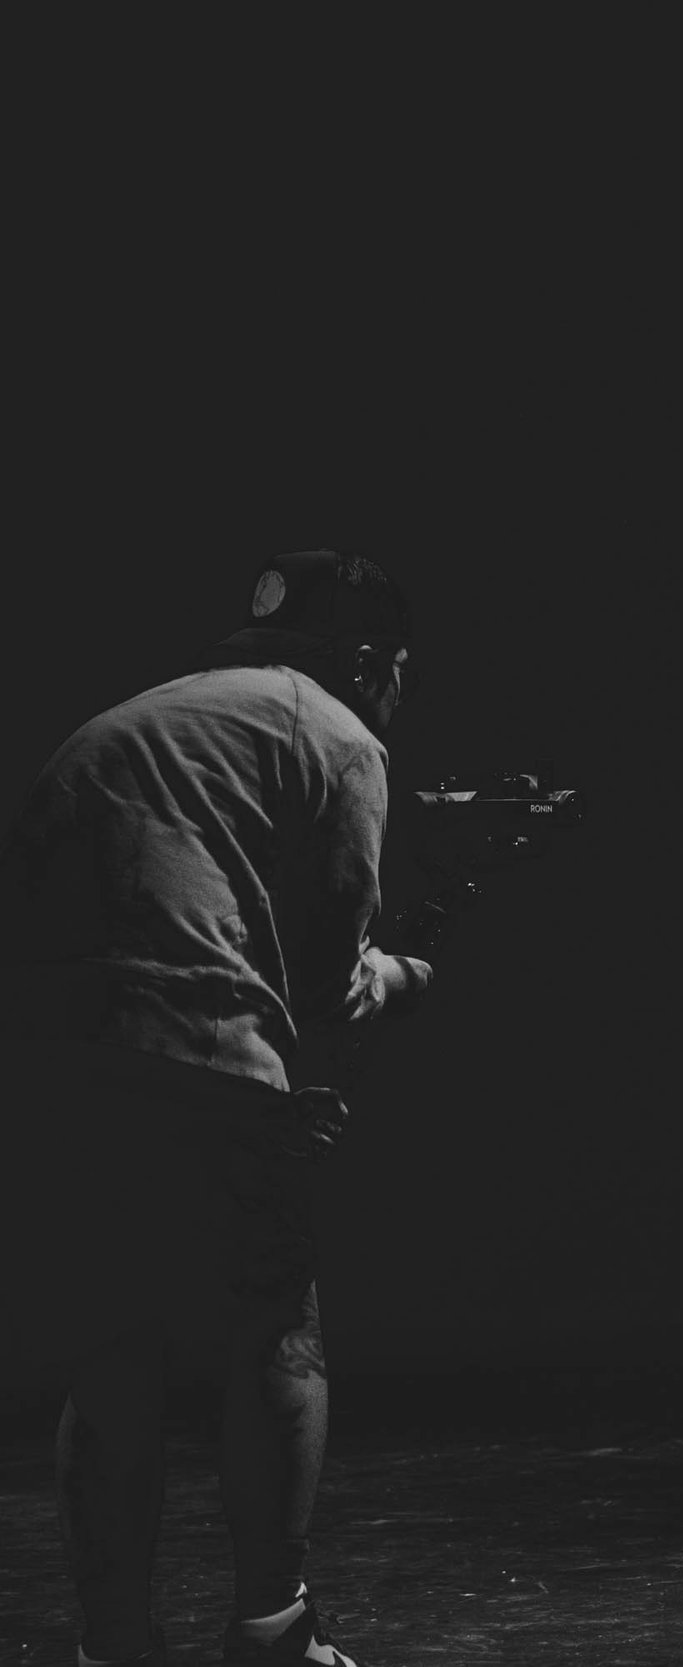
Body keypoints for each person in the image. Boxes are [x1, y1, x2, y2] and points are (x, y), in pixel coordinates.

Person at [0, 550, 431, 1665]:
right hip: (205, 1065)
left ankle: (111, 1643)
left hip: (59, 1076)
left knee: (113, 1356)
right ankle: (272, 1629)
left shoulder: (122, 723)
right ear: (374, 661)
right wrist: (402, 974)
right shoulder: (340, 738)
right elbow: (331, 974)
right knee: (274, 1338)